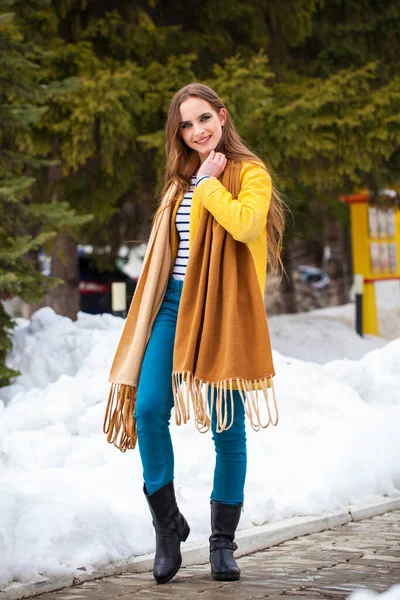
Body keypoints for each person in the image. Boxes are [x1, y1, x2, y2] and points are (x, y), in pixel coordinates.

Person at [103, 83, 285, 585]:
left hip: (222, 310)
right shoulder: (180, 178)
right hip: (169, 305)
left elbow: (247, 225)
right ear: (178, 132)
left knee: (228, 426)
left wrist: (208, 184)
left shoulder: (249, 172)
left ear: (222, 117)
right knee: (147, 407)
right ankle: (167, 526)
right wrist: (197, 180)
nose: (197, 130)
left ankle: (222, 543)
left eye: (204, 118)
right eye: (186, 124)